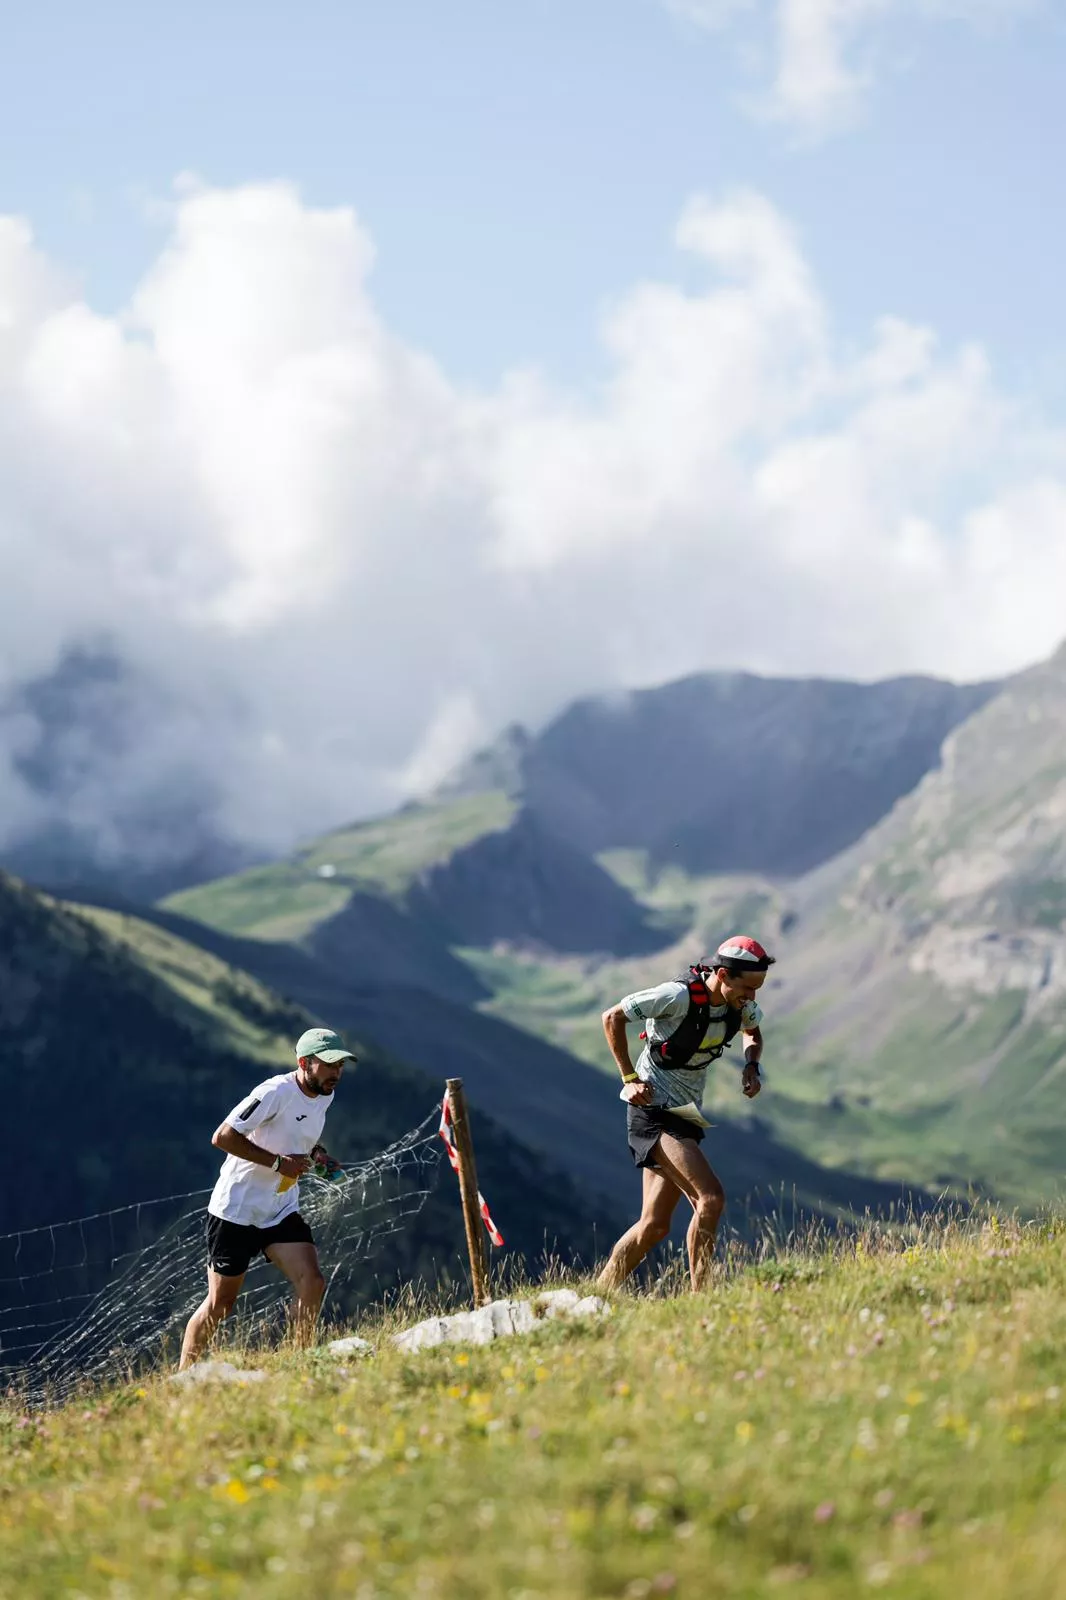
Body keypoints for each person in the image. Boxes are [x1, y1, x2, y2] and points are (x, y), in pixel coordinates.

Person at [596, 936, 774, 1294]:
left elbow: (753, 1033)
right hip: (654, 1111)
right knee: (710, 1198)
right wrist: (629, 1078)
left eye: (757, 988)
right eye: (747, 988)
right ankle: (701, 1298)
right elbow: (612, 1017)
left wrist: (751, 1066)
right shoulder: (676, 997)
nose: (752, 997)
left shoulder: (739, 1006)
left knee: (654, 1226)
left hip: (687, 1114)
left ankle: (598, 1293)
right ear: (722, 975)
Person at [179, 1026, 356, 1368]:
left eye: (340, 1065)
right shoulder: (275, 1092)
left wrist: (317, 1155)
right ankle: (183, 1378)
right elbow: (223, 1137)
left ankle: (301, 1364)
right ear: (304, 1063)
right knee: (220, 1306)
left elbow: (296, 1137)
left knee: (312, 1282)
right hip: (237, 1211)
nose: (336, 1073)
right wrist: (278, 1163)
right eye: (329, 1065)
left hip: (279, 1209)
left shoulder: (325, 1094)